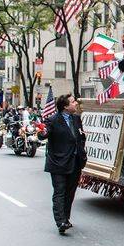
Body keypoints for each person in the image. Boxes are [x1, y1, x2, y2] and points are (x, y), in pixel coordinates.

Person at [37, 94, 87, 235]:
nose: (76, 103)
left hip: (75, 162)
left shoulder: (76, 119)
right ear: (65, 106)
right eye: (73, 102)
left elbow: (80, 137)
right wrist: (42, 131)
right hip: (58, 163)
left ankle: (66, 218)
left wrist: (82, 150)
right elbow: (44, 134)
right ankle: (60, 222)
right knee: (60, 192)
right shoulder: (53, 120)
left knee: (70, 193)